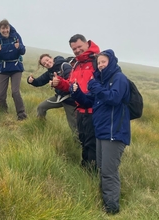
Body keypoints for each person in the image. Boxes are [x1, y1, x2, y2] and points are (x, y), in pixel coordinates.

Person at [71, 49, 130, 214]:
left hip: (114, 132)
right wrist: (77, 93)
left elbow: (114, 98)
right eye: (98, 63)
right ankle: (105, 201)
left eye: (104, 62)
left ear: (111, 62)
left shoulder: (119, 78)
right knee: (102, 169)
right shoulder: (100, 81)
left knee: (109, 172)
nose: (101, 65)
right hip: (101, 131)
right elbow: (89, 101)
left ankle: (112, 209)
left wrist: (95, 86)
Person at [52, 34, 100, 171]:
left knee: (93, 145)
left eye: (79, 47)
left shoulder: (98, 61)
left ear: (86, 43)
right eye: (74, 49)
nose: (77, 50)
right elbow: (71, 85)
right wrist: (60, 83)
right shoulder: (77, 64)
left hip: (94, 112)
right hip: (80, 110)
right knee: (83, 141)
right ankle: (85, 170)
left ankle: (92, 174)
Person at [27, 54, 78, 138]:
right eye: (44, 63)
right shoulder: (49, 72)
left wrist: (58, 82)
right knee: (41, 107)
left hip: (70, 99)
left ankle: (79, 144)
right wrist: (31, 81)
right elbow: (39, 82)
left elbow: (71, 82)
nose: (47, 63)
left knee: (73, 125)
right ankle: (40, 127)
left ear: (52, 58)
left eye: (47, 60)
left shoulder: (64, 65)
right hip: (59, 97)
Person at [0, 19, 27, 120]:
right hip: (3, 69)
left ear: (9, 28)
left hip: (16, 68)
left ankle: (21, 115)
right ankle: (3, 114)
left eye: (6, 28)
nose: (5, 30)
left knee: (15, 92)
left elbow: (23, 51)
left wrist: (19, 47)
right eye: (3, 28)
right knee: (1, 94)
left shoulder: (16, 37)